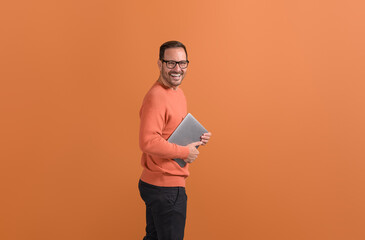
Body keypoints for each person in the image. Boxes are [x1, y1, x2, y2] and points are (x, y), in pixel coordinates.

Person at [138, 40, 211, 240]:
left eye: (182, 63)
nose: (177, 69)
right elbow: (148, 141)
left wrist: (195, 139)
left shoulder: (178, 94)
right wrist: (186, 152)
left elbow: (169, 133)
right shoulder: (157, 97)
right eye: (171, 63)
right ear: (160, 64)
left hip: (162, 184)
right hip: (166, 187)